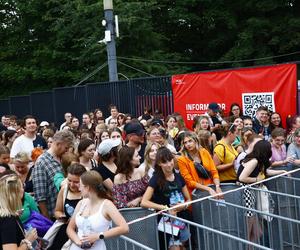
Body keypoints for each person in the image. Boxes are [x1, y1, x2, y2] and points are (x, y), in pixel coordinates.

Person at [141, 147, 191, 250]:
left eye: (170, 160)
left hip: (182, 218)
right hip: (166, 221)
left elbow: (189, 199)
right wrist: (165, 208)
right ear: (159, 163)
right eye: (165, 162)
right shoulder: (155, 179)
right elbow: (144, 202)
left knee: (183, 247)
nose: (169, 164)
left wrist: (184, 206)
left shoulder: (178, 177)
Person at [238, 140, 287, 242]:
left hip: (252, 192)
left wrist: (281, 172)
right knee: (248, 231)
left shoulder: (259, 161)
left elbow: (265, 172)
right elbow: (242, 178)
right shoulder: (254, 161)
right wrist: (257, 180)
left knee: (257, 233)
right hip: (246, 193)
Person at [67, 171, 129, 250]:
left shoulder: (107, 205)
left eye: (81, 185)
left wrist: (98, 236)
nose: (79, 188)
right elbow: (70, 228)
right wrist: (79, 242)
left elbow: (124, 228)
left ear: (87, 188)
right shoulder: (81, 203)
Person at [32, 130, 75, 219]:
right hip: (53, 216)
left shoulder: (64, 158)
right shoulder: (42, 162)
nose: (67, 151)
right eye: (66, 148)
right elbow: (40, 197)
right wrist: (47, 220)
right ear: (58, 144)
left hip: (69, 213)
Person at [48, 164, 87, 250]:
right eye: (69, 180)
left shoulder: (87, 193)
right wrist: (61, 216)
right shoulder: (64, 190)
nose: (72, 185)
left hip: (82, 233)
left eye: (76, 182)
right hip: (65, 231)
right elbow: (57, 211)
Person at [0, 170, 38, 249]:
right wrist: (28, 241)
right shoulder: (7, 220)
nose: (23, 190)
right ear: (14, 194)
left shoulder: (6, 214)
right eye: (22, 187)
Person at [177, 131, 222, 197]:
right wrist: (208, 189)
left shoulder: (204, 152)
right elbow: (190, 182)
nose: (188, 144)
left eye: (190, 141)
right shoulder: (182, 160)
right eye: (185, 143)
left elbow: (214, 172)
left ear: (196, 141)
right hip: (195, 194)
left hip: (212, 190)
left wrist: (217, 186)